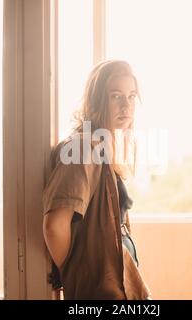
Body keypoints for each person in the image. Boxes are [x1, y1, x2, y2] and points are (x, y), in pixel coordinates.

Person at [42, 60, 151, 300]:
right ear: (97, 100)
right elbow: (54, 226)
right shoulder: (83, 148)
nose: (126, 105)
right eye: (116, 96)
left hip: (119, 281)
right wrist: (75, 274)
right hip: (100, 292)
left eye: (131, 96)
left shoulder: (104, 147)